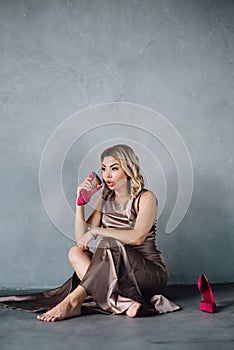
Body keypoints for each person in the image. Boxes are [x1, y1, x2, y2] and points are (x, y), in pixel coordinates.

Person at [0, 144, 180, 321]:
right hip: (119, 276)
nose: (107, 175)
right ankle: (122, 303)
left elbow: (137, 236)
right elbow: (81, 239)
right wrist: (80, 204)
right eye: (103, 169)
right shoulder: (105, 198)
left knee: (108, 242)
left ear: (128, 169)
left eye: (114, 168)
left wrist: (96, 231)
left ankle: (73, 301)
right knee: (75, 252)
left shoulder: (146, 197)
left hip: (148, 273)